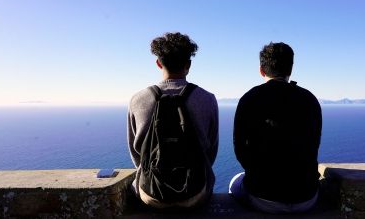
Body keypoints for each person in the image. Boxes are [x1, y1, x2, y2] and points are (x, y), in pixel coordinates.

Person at [127, 32, 219, 209]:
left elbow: (136, 154)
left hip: (150, 194)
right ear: (188, 65)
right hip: (196, 193)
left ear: (158, 63)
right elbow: (211, 151)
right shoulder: (207, 99)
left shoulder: (137, 99)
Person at [229, 42, 322, 214]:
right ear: (290, 69)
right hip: (306, 197)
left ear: (261, 70)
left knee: (235, 181)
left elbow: (240, 150)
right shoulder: (310, 99)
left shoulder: (249, 99)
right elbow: (314, 144)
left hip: (262, 198)